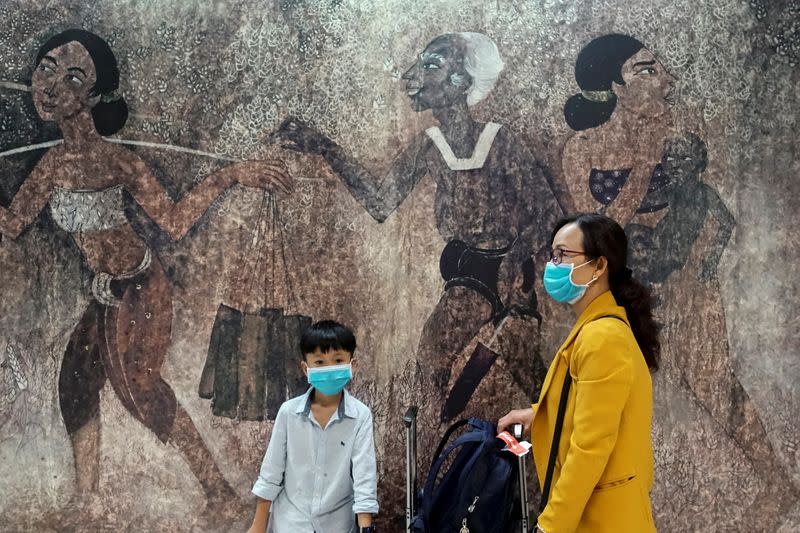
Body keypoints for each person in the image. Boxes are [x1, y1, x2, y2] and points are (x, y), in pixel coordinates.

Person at [0, 29, 292, 524]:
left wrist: (231, 174)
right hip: (104, 292)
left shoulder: (119, 160)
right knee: (75, 382)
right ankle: (87, 502)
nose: (50, 86)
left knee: (141, 390)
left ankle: (219, 492)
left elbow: (175, 222)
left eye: (73, 78)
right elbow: (12, 224)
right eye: (45, 68)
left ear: (91, 97)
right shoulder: (52, 165)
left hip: (140, 286)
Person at [275, 31, 561, 420]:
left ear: (460, 79)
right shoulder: (431, 145)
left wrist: (515, 260)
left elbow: (547, 212)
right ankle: (436, 455)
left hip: (506, 275)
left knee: (519, 379)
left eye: (432, 65)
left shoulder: (498, 140)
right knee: (445, 368)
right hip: (468, 272)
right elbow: (380, 202)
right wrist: (326, 147)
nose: (416, 75)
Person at [499, 213, 660, 532]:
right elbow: (589, 408)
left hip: (604, 520)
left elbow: (591, 446)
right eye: (552, 255)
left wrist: (551, 525)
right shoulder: (597, 329)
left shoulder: (603, 338)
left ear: (599, 266)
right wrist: (537, 415)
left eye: (563, 255)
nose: (552, 265)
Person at [248, 320, 378, 533]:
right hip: (289, 524)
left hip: (337, 526)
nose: (329, 368)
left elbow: (365, 479)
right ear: (305, 368)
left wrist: (366, 529)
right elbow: (271, 473)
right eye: (319, 362)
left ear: (351, 365)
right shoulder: (289, 413)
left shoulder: (360, 416)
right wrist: (257, 527)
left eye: (337, 360)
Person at [561, 33, 676, 228]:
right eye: (648, 71)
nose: (669, 79)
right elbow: (596, 232)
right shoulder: (581, 148)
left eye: (662, 69)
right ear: (617, 87)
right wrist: (644, 165)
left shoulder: (672, 136)